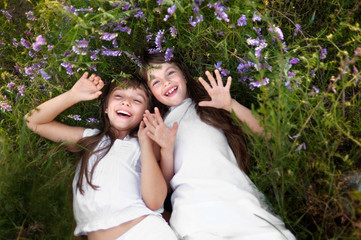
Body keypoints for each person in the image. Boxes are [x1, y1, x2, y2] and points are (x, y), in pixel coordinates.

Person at [140, 52, 296, 240]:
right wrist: (166, 149)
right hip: (194, 213)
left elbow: (268, 133)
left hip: (238, 200)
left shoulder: (211, 106)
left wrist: (230, 105)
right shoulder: (159, 126)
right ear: (151, 93)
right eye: (156, 82)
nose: (166, 82)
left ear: (183, 74)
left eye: (170, 73)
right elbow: (164, 187)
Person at [24, 72, 177, 240]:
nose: (126, 102)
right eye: (119, 95)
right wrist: (73, 95)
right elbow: (33, 122)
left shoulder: (142, 146)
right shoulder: (89, 139)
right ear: (105, 107)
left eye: (137, 100)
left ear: (145, 114)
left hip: (144, 232)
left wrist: (146, 142)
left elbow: (155, 201)